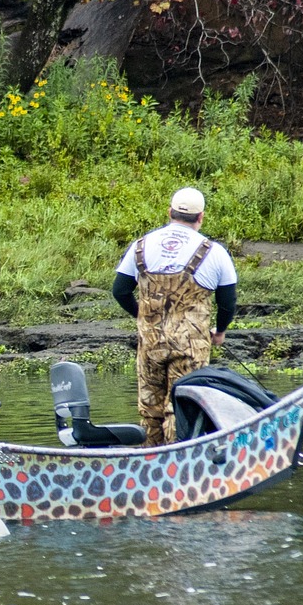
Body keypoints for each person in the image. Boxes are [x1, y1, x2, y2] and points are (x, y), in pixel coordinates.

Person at [112, 187, 238, 446]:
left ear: (170, 212)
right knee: (182, 408)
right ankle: (181, 465)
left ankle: (150, 466)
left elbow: (120, 290)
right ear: (201, 217)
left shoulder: (141, 246)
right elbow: (227, 303)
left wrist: (143, 317)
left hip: (150, 343)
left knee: (150, 410)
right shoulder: (214, 252)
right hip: (190, 347)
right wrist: (221, 331)